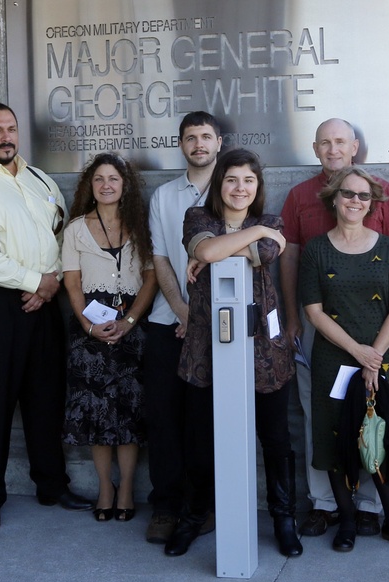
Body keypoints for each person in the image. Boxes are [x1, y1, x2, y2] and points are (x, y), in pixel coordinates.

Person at [0, 102, 92, 529]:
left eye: (11, 129)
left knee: (46, 397)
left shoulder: (39, 179)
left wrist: (52, 281)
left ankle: (51, 485)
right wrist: (36, 282)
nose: (5, 137)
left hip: (44, 300)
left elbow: (61, 237)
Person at [280, 118, 389, 539]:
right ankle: (331, 509)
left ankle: (376, 511)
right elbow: (290, 261)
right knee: (328, 422)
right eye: (325, 143)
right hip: (328, 339)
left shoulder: (383, 201)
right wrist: (294, 317)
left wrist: (376, 349)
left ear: (355, 146)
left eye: (341, 142)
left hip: (378, 338)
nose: (333, 149)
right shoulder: (301, 200)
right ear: (315, 148)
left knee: (377, 426)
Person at [172, 149, 303, 558]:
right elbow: (206, 252)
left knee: (275, 438)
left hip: (265, 352)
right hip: (205, 352)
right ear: (219, 184)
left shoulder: (272, 222)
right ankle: (194, 516)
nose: (239, 188)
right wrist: (247, 241)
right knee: (198, 441)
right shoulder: (198, 219)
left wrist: (236, 244)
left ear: (258, 187)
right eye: (231, 180)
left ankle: (283, 517)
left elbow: (231, 254)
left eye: (248, 181)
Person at [298, 166, 389, 553]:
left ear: (373, 204)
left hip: (382, 358)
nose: (355, 201)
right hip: (334, 359)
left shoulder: (387, 248)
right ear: (334, 198)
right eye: (349, 194)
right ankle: (347, 522)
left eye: (363, 196)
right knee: (336, 438)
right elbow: (314, 312)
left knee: (380, 436)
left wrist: (374, 359)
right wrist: (358, 353)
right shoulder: (316, 249)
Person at [61, 153, 156, 522]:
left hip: (132, 326)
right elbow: (71, 282)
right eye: (99, 179)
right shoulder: (75, 230)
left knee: (129, 414)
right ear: (90, 185)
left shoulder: (141, 227)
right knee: (98, 416)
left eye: (113, 179)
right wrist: (88, 325)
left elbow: (151, 278)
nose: (106, 185)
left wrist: (130, 321)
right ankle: (105, 489)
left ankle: (128, 488)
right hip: (90, 329)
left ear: (124, 184)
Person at [144, 111, 224, 544]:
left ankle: (203, 506)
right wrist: (181, 310)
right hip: (166, 322)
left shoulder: (232, 188)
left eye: (206, 136)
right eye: (191, 138)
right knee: (162, 418)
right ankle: (165, 506)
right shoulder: (164, 196)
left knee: (203, 423)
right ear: (181, 145)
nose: (199, 144)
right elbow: (159, 258)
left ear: (219, 142)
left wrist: (201, 317)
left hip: (217, 327)